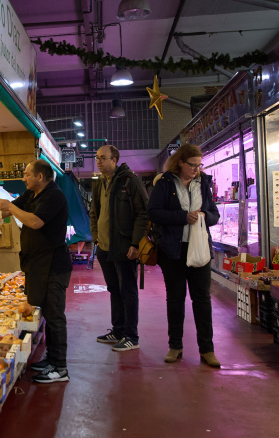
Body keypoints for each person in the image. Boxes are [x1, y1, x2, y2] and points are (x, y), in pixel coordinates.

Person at [0, 160, 72, 383]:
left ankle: (60, 368)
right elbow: (8, 208)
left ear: (40, 177)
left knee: (55, 316)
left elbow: (36, 222)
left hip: (53, 265)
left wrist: (11, 208)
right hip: (37, 264)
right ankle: (52, 359)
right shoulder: (31, 194)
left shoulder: (54, 196)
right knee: (47, 313)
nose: (23, 179)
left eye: (27, 175)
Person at [147, 144, 221, 367]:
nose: (196, 169)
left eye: (199, 165)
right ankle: (175, 346)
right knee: (175, 299)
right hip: (173, 250)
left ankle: (207, 350)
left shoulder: (203, 183)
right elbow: (154, 213)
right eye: (192, 165)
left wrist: (204, 215)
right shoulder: (165, 183)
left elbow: (215, 214)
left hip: (199, 249)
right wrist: (183, 217)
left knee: (202, 299)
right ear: (180, 162)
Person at [89, 145, 148, 352]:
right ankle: (118, 330)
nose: (99, 161)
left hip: (124, 247)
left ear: (114, 160)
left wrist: (135, 243)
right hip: (104, 247)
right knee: (114, 290)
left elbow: (143, 213)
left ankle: (131, 336)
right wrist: (96, 238)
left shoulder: (130, 181)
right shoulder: (99, 183)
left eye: (103, 158)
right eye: (97, 158)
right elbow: (94, 212)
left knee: (128, 291)